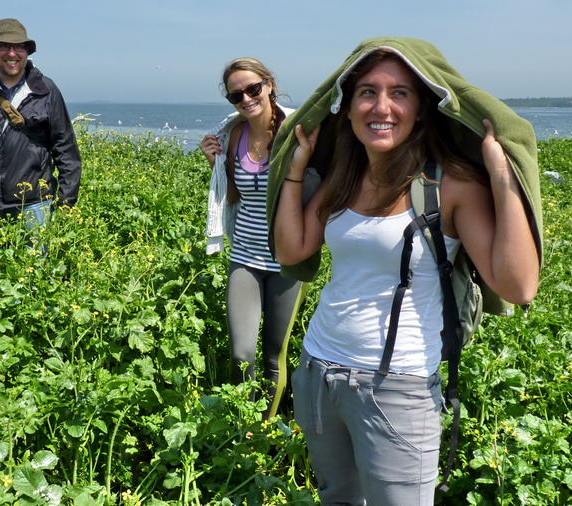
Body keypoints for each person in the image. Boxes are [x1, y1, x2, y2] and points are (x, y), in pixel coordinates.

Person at [268, 37, 542, 504]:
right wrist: (295, 168)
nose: (382, 106)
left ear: (421, 108)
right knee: (338, 497)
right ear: (347, 107)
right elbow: (292, 250)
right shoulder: (345, 176)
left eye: (400, 93)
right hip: (318, 371)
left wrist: (500, 173)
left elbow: (518, 286)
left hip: (397, 388)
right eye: (367, 92)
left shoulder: (450, 185)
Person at [200, 58, 312, 420]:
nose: (246, 99)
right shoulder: (235, 135)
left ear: (269, 85)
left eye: (253, 89)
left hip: (288, 261)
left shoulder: (296, 130)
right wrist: (214, 165)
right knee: (241, 352)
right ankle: (240, 424)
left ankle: (262, 430)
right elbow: (234, 196)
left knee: (273, 354)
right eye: (236, 95)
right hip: (245, 257)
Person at [0, 18, 81, 231]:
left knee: (35, 264)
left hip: (36, 204)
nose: (12, 53)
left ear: (27, 51)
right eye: (3, 46)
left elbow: (64, 145)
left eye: (19, 46)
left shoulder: (45, 89)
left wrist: (67, 198)